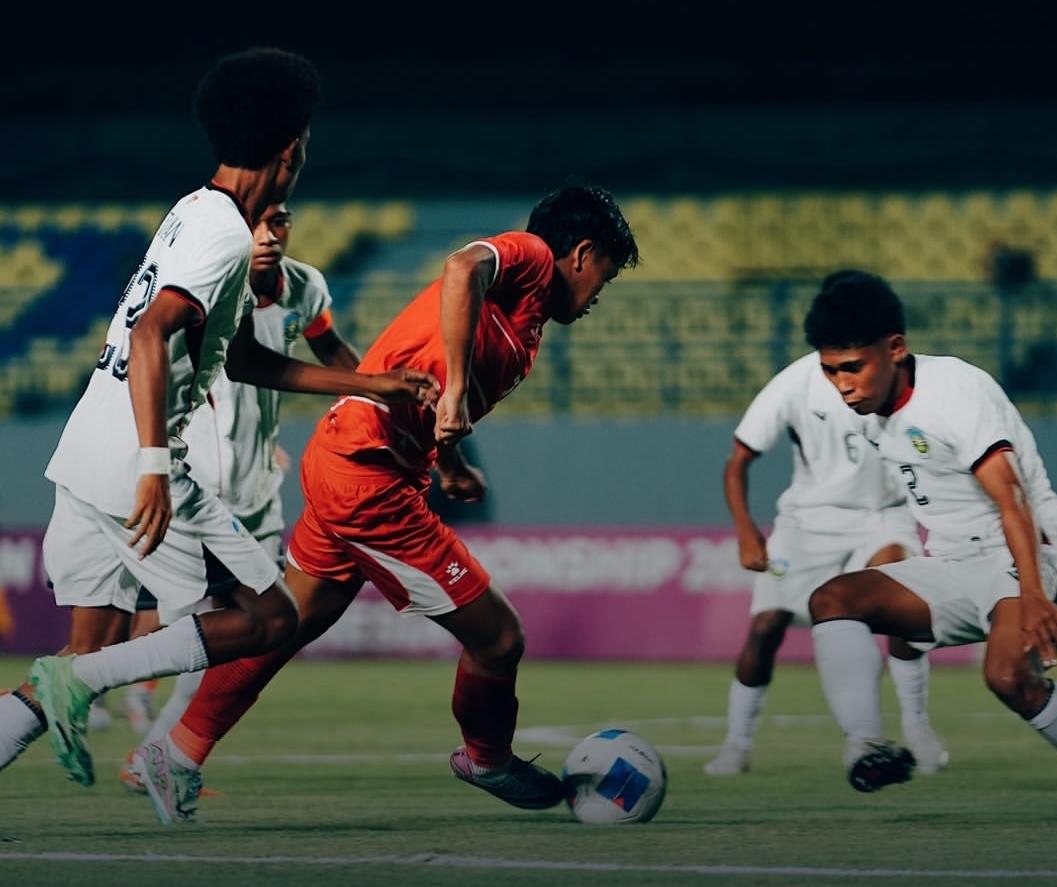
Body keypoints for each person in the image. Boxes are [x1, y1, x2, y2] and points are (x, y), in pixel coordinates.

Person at [125, 182, 640, 825]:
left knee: (286, 623)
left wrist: (448, 459)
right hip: (366, 475)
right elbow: (462, 268)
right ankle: (487, 758)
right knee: (500, 639)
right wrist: (452, 400)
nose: (598, 298)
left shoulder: (527, 325)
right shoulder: (533, 255)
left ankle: (173, 754)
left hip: (357, 457)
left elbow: (432, 381)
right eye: (606, 277)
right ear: (581, 252)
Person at [0, 46, 439, 792]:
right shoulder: (226, 234)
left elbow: (239, 359)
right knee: (271, 618)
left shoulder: (194, 211)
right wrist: (152, 469)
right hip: (138, 461)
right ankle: (95, 701)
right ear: (292, 148)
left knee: (85, 656)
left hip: (84, 452)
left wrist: (369, 381)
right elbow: (150, 333)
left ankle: (63, 691)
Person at [802, 269, 1057, 792]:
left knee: (1005, 678)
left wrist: (1035, 591)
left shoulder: (956, 389)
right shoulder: (870, 408)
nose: (843, 385)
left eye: (853, 368)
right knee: (834, 598)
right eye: (831, 371)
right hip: (955, 567)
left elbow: (1011, 496)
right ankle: (867, 744)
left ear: (897, 348)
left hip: (1026, 557)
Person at [117, 200, 363, 792]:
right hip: (194, 484)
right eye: (256, 223)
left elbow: (335, 356)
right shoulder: (208, 282)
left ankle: (155, 755)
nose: (267, 235)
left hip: (257, 492)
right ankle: (122, 731)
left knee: (238, 633)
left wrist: (377, 396)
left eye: (278, 222)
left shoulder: (306, 288)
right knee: (190, 633)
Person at [705, 337, 948, 777]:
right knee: (765, 627)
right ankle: (736, 744)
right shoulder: (794, 383)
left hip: (884, 516)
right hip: (807, 524)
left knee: (901, 601)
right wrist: (746, 531)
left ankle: (916, 727)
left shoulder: (903, 380)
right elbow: (738, 459)